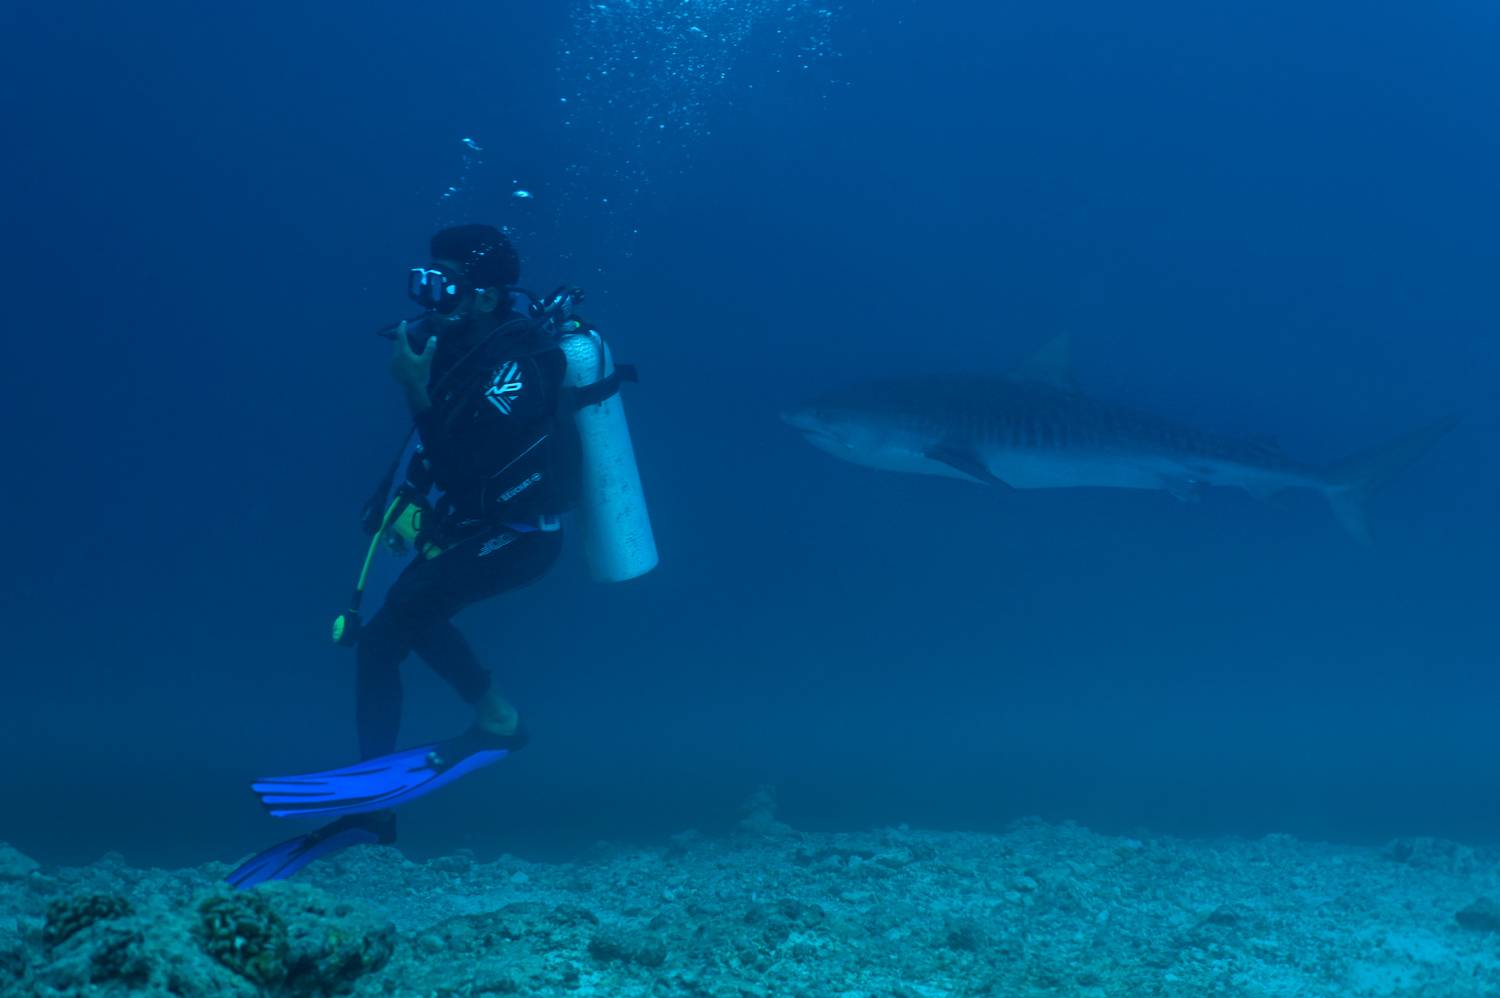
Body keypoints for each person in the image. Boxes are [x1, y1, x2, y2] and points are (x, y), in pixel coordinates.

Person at [228, 223, 649, 889]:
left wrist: (413, 388)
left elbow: (464, 467)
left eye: (444, 284)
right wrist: (389, 497)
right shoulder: (455, 341)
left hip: (524, 536)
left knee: (409, 608)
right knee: (382, 637)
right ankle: (382, 806)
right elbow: (429, 450)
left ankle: (494, 724)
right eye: (424, 280)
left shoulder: (521, 363)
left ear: (485, 296)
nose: (429, 297)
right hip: (475, 524)